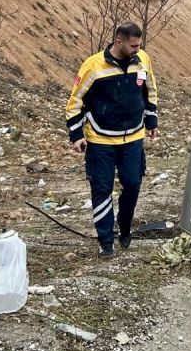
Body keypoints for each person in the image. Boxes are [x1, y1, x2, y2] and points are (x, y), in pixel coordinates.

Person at [65, 22, 159, 258]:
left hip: (134, 137)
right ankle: (105, 240)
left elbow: (150, 91)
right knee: (101, 189)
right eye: (133, 45)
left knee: (133, 184)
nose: (138, 49)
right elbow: (74, 102)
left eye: (139, 45)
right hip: (101, 140)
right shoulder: (93, 66)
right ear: (119, 42)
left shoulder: (143, 60)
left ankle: (125, 228)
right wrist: (76, 136)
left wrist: (152, 121)